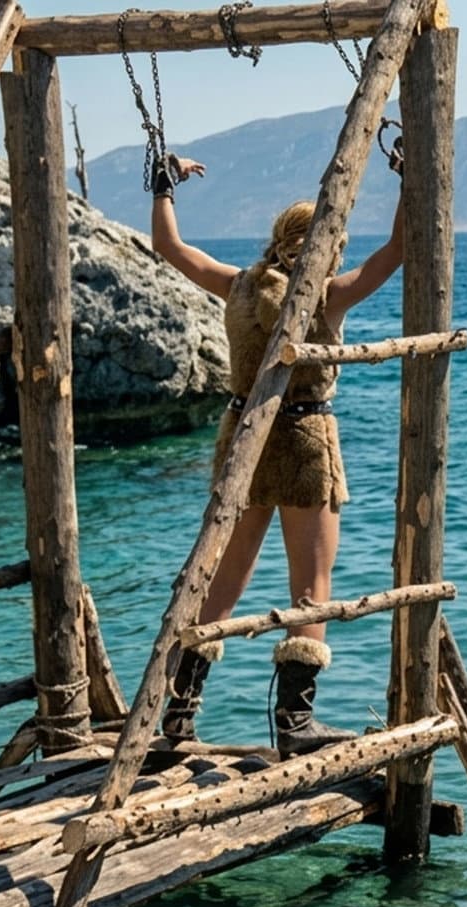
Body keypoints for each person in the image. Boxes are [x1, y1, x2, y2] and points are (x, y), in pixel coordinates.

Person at [148, 155, 405, 755]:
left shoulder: (237, 285)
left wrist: (163, 184)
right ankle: (295, 725)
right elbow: (397, 249)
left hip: (242, 436)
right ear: (326, 246)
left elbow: (168, 245)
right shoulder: (327, 297)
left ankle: (179, 717)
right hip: (302, 439)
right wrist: (409, 179)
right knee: (311, 583)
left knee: (222, 582)